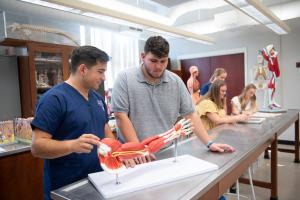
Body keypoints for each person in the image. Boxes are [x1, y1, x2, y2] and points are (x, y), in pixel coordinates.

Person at [111, 36, 235, 167]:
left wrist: (209, 143)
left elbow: (191, 114)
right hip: (134, 156)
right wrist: (138, 149)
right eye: (153, 61)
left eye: (163, 61)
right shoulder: (124, 78)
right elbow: (121, 116)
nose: (158, 66)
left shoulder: (175, 81)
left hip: (167, 152)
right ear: (142, 56)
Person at [31, 46, 115, 200]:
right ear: (83, 69)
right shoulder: (54, 99)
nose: (103, 77)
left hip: (99, 184)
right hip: (66, 189)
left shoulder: (98, 99)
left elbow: (107, 134)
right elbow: (37, 147)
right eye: (100, 71)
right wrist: (72, 145)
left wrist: (123, 154)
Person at [261, 44, 281, 108]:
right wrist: (263, 52)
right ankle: (271, 102)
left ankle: (272, 102)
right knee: (271, 87)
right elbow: (266, 57)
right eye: (269, 51)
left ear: (273, 49)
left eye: (272, 50)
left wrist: (276, 74)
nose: (271, 51)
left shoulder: (274, 57)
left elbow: (275, 66)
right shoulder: (271, 57)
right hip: (272, 73)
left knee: (272, 87)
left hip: (274, 74)